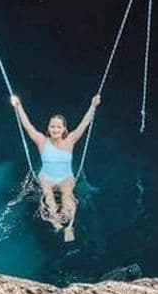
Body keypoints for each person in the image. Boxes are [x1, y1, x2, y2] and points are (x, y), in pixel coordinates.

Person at [9, 94, 101, 242]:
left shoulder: (70, 140)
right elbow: (27, 125)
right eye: (52, 126)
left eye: (58, 127)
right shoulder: (41, 141)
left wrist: (93, 105)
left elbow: (84, 124)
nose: (55, 129)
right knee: (49, 198)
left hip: (65, 178)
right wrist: (18, 106)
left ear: (64, 129)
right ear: (48, 128)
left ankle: (69, 227)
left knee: (67, 197)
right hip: (47, 177)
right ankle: (56, 223)